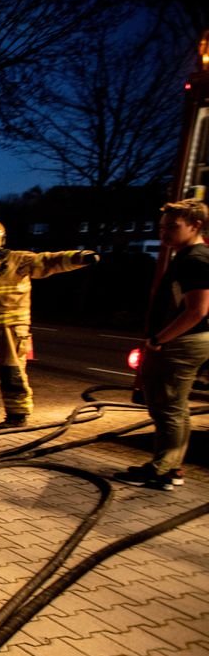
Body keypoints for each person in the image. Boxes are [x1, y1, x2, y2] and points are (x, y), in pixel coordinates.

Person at [0, 219, 99, 428]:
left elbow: (48, 261)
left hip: (10, 328)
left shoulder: (17, 260)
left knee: (11, 373)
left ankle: (17, 414)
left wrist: (79, 257)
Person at [115, 199, 209, 491]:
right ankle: (171, 468)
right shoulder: (187, 256)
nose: (164, 233)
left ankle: (162, 470)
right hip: (183, 342)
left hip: (181, 344)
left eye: (172, 226)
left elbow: (198, 310)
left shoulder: (196, 259)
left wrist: (158, 340)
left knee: (166, 407)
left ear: (195, 225)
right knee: (174, 408)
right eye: (162, 227)